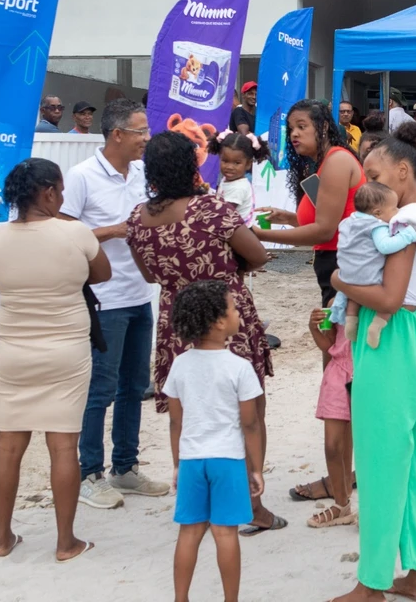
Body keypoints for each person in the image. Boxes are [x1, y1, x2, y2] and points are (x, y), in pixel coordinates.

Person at [126, 131, 282, 535]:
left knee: (192, 414)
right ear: (191, 166)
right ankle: (254, 505)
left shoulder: (138, 219)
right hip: (227, 316)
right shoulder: (211, 210)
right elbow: (259, 254)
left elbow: (148, 275)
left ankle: (202, 497)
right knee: (249, 410)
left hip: (178, 323)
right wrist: (227, 275)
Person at [328, 123, 416, 602]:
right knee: (413, 462)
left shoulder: (400, 223)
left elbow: (390, 298)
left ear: (403, 170)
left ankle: (371, 582)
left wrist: (339, 279)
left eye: (373, 174)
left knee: (378, 466)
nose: (366, 186)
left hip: (391, 343)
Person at [0, 158, 109, 563]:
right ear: (49, 192)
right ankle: (66, 542)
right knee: (63, 445)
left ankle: (2, 540)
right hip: (65, 351)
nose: (64, 197)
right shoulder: (74, 233)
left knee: (8, 444)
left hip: (14, 350)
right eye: (61, 190)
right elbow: (101, 274)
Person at [60, 99, 168, 509]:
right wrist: (115, 230)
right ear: (117, 134)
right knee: (99, 389)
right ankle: (90, 473)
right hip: (104, 300)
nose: (147, 138)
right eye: (140, 131)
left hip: (141, 294)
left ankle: (125, 468)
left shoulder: (142, 174)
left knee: (133, 386)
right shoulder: (83, 176)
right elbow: (67, 232)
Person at [257, 99, 365, 505]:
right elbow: (318, 218)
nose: (294, 134)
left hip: (343, 273)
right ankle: (342, 477)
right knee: (341, 376)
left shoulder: (336, 161)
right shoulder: (323, 167)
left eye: (302, 126)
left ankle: (343, 484)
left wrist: (260, 236)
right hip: (332, 271)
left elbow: (325, 227)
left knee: (342, 379)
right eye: (290, 128)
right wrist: (286, 218)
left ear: (324, 126)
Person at [165, 281, 264, 602]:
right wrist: (257, 468)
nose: (238, 314)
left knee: (189, 532)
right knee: (225, 533)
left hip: (193, 459)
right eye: (234, 309)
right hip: (228, 459)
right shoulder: (239, 367)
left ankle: (181, 598)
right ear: (221, 322)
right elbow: (250, 423)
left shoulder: (179, 364)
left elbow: (175, 421)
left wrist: (178, 463)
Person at [330, 182, 416, 349]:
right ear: (377, 213)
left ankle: (351, 320)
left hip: (346, 272)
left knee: (353, 298)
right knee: (389, 294)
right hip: (367, 274)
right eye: (394, 208)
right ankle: (377, 325)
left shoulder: (349, 221)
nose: (397, 212)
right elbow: (385, 246)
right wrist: (408, 236)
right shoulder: (377, 226)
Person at [304, 306, 356, 529]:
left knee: (368, 444)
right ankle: (340, 504)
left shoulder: (380, 294)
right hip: (337, 372)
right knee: (332, 445)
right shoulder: (337, 300)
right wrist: (313, 328)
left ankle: (374, 507)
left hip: (368, 371)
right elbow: (330, 345)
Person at [208, 131, 266, 235]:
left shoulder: (238, 188)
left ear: (248, 164)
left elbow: (222, 213)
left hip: (238, 235)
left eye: (237, 163)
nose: (230, 167)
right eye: (225, 161)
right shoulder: (228, 180)